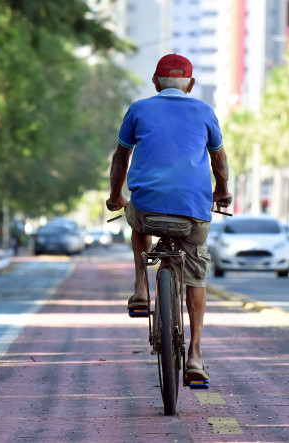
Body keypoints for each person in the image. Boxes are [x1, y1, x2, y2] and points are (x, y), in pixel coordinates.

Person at [106, 53, 231, 386]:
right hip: (193, 214)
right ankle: (196, 356)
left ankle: (140, 288)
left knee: (135, 218)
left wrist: (116, 197)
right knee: (197, 271)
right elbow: (219, 159)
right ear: (189, 85)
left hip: (148, 210)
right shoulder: (205, 111)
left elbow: (121, 157)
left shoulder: (138, 109)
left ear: (154, 82)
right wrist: (223, 192)